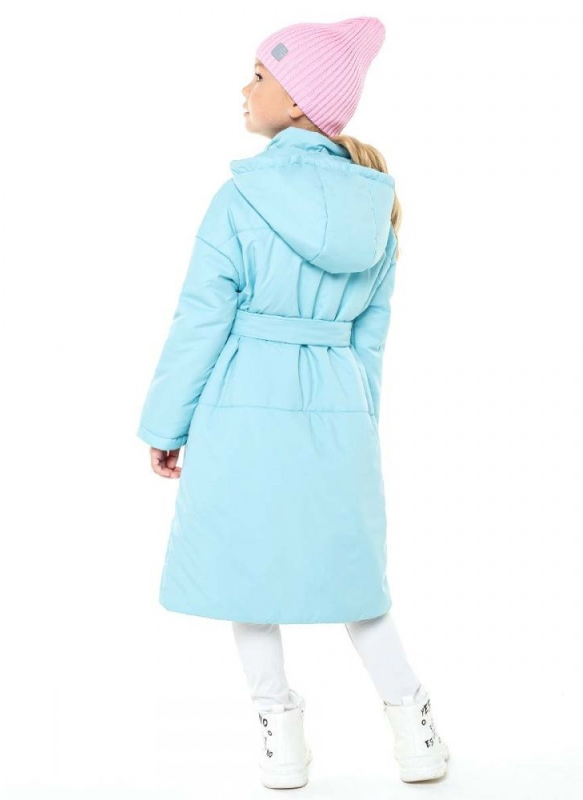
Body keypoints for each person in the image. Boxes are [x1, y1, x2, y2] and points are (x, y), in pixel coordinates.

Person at [137, 15, 450, 790]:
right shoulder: (377, 208)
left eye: (259, 76)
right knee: (355, 577)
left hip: (243, 401)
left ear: (300, 100)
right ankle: (413, 729)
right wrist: (359, 421)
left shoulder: (240, 198)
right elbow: (371, 339)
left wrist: (166, 424)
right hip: (339, 405)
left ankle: (281, 738)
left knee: (247, 574)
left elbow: (200, 320)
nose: (245, 89)